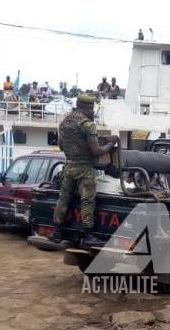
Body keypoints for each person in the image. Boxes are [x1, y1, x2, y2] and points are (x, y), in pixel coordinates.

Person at [47, 93, 118, 247]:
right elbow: (96, 151)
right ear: (88, 107)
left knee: (63, 198)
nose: (93, 111)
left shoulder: (64, 123)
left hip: (69, 167)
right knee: (87, 200)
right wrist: (111, 144)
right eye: (92, 108)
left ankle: (56, 231)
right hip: (84, 169)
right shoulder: (87, 124)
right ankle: (88, 235)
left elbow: (61, 146)